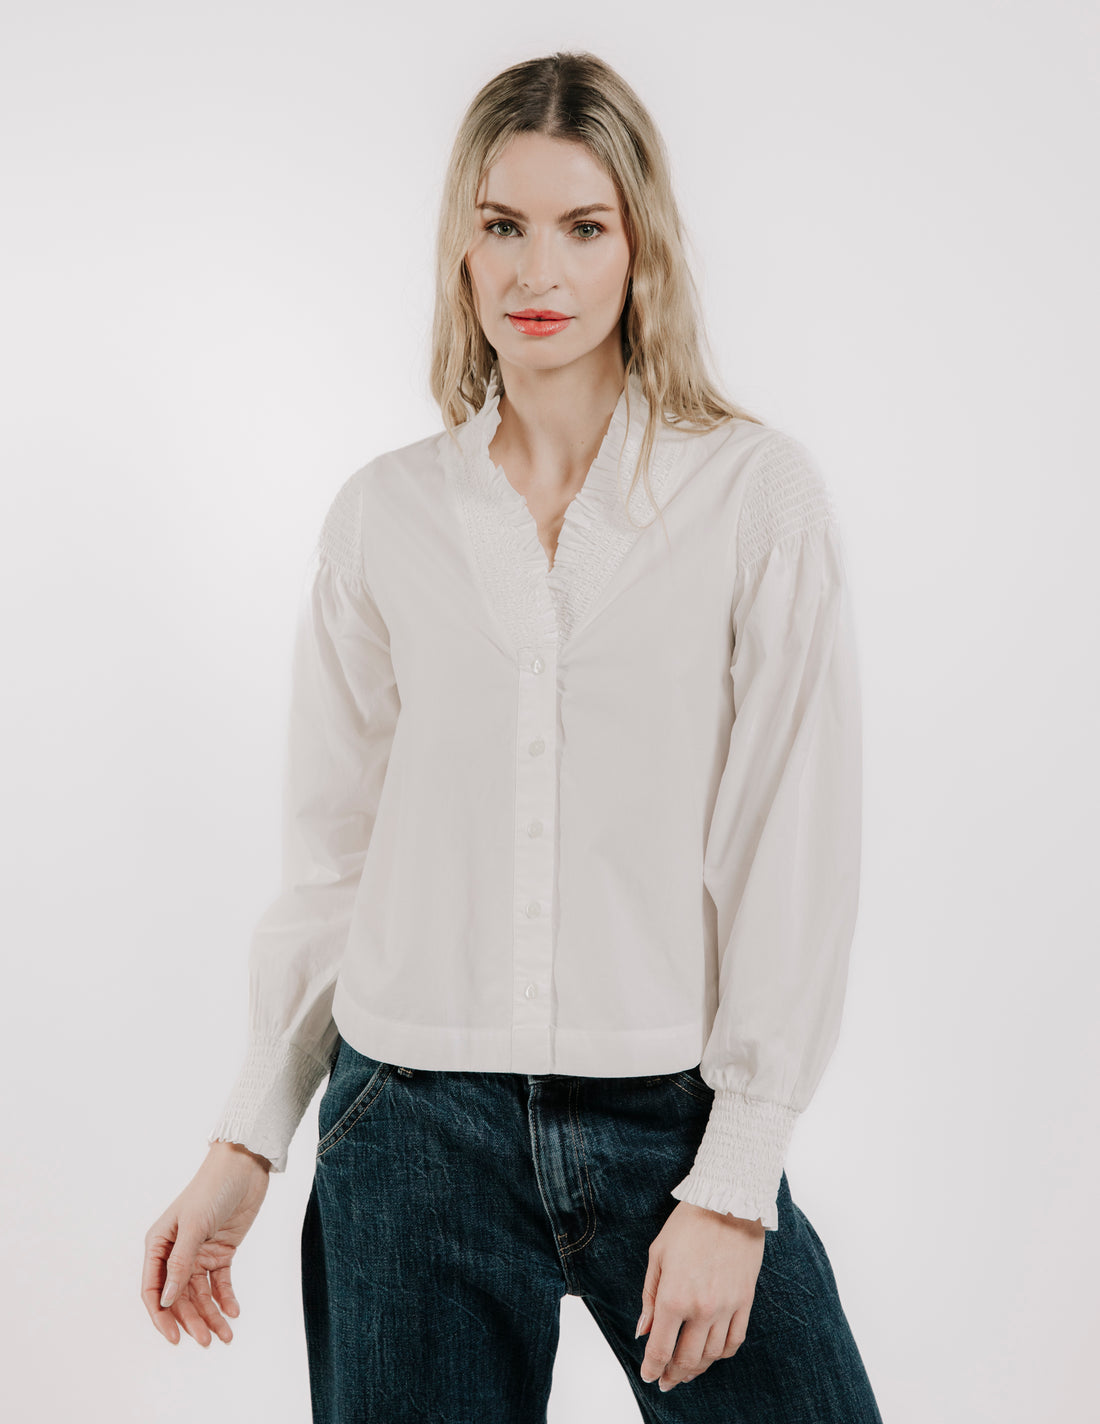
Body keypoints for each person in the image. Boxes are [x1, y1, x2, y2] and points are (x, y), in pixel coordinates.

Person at [142, 49, 883, 1423]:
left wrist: (735, 1183)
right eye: (503, 225)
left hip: (669, 1118)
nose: (539, 271)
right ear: (462, 250)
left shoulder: (754, 498)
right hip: (409, 1124)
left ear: (640, 248)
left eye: (583, 226)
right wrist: (249, 1137)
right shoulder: (384, 517)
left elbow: (793, 852)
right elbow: (335, 863)